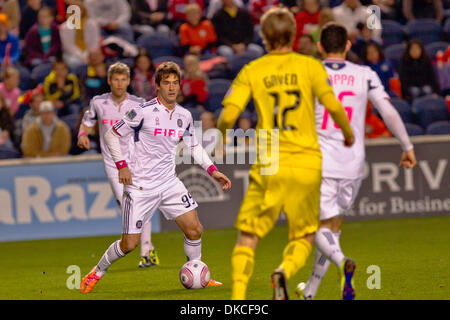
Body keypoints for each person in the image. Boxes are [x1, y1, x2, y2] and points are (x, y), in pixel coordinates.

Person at [216, 7, 354, 300]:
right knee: (303, 235)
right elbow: (334, 107)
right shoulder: (310, 67)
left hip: (270, 163)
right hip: (306, 163)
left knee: (249, 235)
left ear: (264, 37)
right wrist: (349, 134)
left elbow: (228, 116)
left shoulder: (253, 70)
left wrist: (222, 140)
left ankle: (238, 298)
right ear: (293, 35)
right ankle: (283, 272)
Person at [79, 62, 231, 293]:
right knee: (129, 245)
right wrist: (122, 166)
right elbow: (111, 135)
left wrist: (213, 170)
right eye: (166, 83)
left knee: (195, 230)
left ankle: (198, 271)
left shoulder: (184, 115)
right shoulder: (142, 111)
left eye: (175, 83)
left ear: (180, 85)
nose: (171, 87)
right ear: (158, 86)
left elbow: (194, 145)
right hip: (140, 187)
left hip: (169, 183)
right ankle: (97, 271)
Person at [297, 22, 416, 300]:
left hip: (320, 162)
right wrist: (407, 146)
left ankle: (342, 263)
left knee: (314, 228)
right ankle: (311, 292)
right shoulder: (365, 73)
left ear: (319, 47)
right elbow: (387, 110)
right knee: (332, 230)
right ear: (348, 46)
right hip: (353, 164)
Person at [77, 62, 160, 268]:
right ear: (109, 81)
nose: (120, 83)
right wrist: (82, 135)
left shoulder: (138, 103)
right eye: (116, 79)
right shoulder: (99, 102)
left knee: (137, 204)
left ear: (129, 81)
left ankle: (147, 251)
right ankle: (147, 249)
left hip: (135, 161)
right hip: (113, 164)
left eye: (124, 79)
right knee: (128, 207)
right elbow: (87, 122)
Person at [59, 0, 101, 70]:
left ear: (83, 10)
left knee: (96, 60)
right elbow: (68, 46)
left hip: (91, 53)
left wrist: (88, 55)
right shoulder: (64, 27)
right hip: (72, 54)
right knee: (74, 62)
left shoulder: (92, 24)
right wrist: (82, 56)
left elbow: (94, 42)